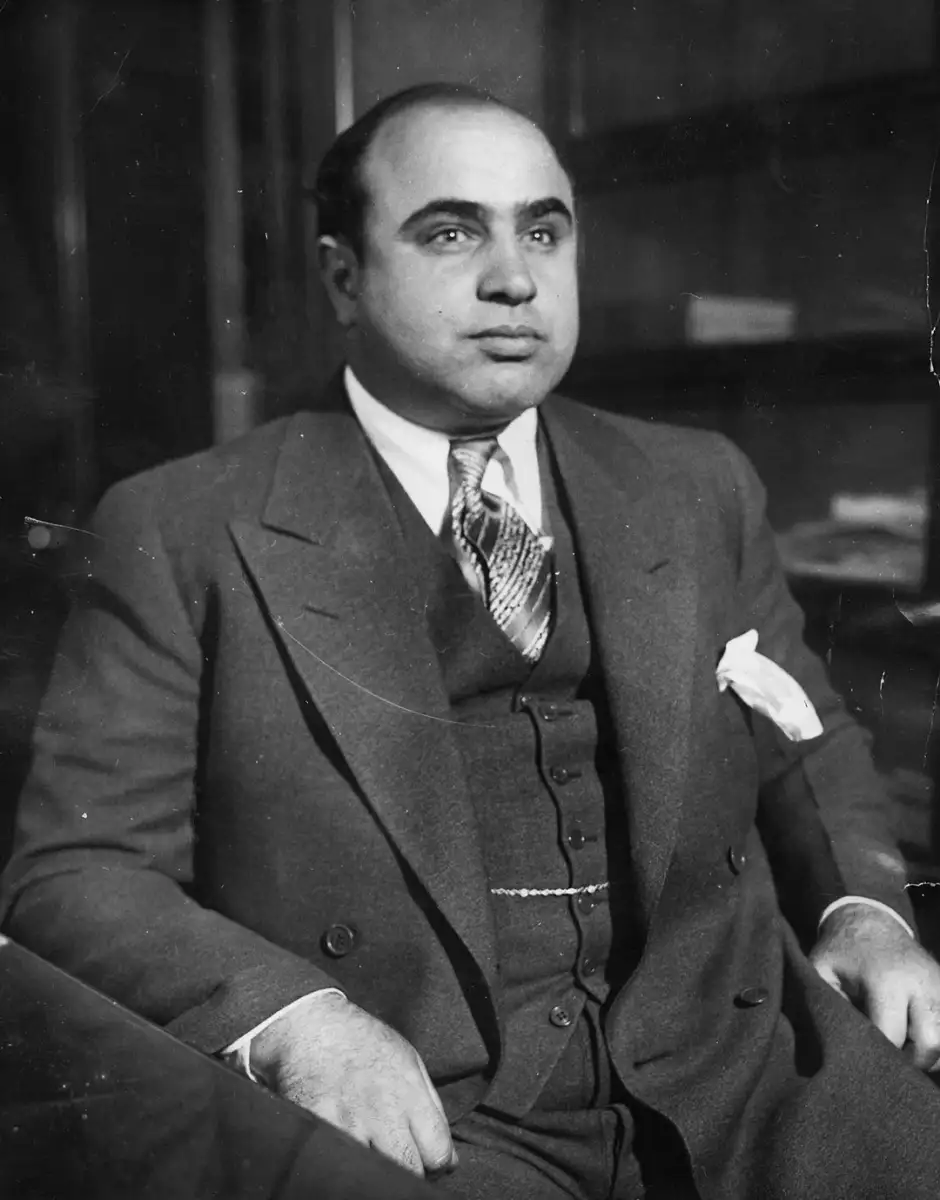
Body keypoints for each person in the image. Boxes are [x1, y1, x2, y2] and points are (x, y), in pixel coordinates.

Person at [3, 82, 940, 1200]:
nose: (515, 279)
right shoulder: (185, 526)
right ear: (343, 278)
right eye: (451, 233)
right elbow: (75, 871)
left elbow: (805, 736)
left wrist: (864, 912)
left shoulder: (694, 483)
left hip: (738, 1067)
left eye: (543, 231)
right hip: (438, 1116)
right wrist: (297, 1021)